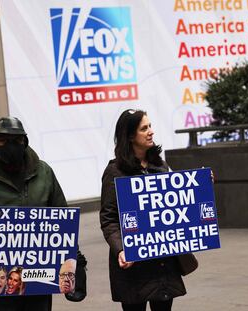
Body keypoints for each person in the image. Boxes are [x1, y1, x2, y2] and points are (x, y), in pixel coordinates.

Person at [0, 117, 74, 310]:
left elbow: (62, 219)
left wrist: (77, 265)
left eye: (16, 140)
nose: (10, 145)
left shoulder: (44, 172)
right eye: (3, 140)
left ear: (25, 141)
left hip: (37, 275)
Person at [100, 109, 187, 311]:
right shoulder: (114, 172)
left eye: (150, 126)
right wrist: (120, 249)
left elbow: (178, 206)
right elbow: (109, 219)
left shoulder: (161, 166)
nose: (151, 132)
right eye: (144, 128)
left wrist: (201, 188)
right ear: (130, 136)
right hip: (133, 267)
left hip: (163, 264)